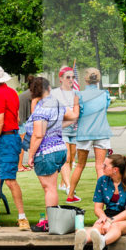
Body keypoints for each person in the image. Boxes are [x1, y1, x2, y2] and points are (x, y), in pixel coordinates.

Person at [25, 77, 79, 212]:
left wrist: (30, 155)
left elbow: (38, 135)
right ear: (49, 88)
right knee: (52, 187)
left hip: (46, 152)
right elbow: (73, 116)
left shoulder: (41, 109)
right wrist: (56, 127)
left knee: (49, 189)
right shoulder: (58, 104)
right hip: (59, 148)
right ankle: (52, 220)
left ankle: (50, 221)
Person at [0, 64, 28, 230]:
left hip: (4, 139)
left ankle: (22, 218)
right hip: (9, 137)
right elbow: (17, 118)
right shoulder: (12, 92)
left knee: (9, 180)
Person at [75, 153, 126, 250]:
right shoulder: (102, 181)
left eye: (105, 165)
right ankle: (82, 241)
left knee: (116, 226)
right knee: (97, 226)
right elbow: (98, 208)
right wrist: (103, 217)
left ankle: (102, 242)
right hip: (108, 214)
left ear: (115, 170)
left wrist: (110, 221)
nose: (102, 167)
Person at [68, 68, 112, 204]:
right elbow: (105, 108)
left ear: (85, 79)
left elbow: (76, 114)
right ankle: (103, 196)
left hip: (84, 132)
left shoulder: (78, 95)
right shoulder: (105, 94)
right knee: (100, 166)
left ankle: (70, 194)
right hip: (101, 131)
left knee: (80, 165)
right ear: (98, 79)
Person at [53, 66, 79, 194]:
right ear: (61, 79)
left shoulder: (75, 93)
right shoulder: (56, 94)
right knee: (66, 157)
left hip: (74, 129)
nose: (71, 80)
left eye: (72, 77)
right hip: (62, 129)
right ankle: (69, 186)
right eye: (68, 77)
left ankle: (63, 183)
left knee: (72, 157)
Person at [17, 74, 34, 171]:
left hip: (21, 120)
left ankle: (21, 165)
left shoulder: (25, 94)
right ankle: (19, 166)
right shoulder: (31, 94)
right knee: (22, 145)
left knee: (23, 144)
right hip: (22, 121)